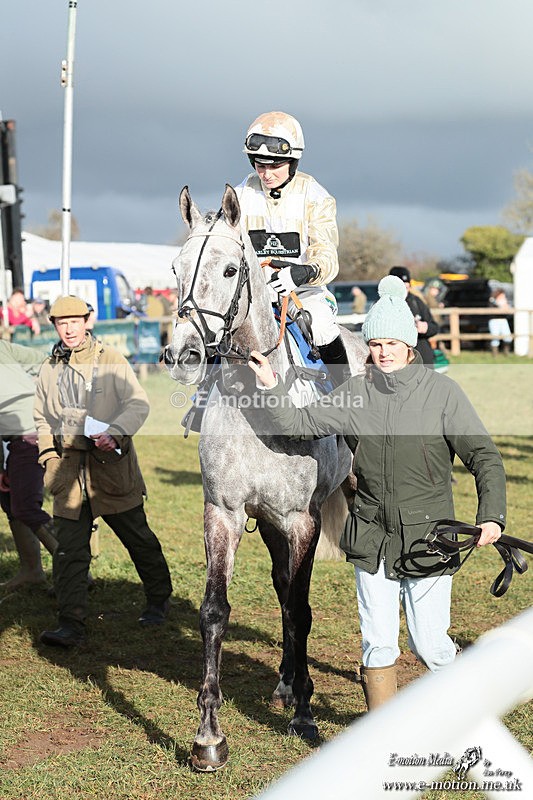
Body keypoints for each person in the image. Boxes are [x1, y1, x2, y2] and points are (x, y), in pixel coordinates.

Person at [248, 275, 506, 711]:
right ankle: (384, 741)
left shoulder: (442, 393)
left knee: (432, 646)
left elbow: (484, 456)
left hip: (430, 539)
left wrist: (492, 515)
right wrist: (273, 385)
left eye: (392, 343)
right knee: (378, 646)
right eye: (376, 344)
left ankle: (469, 722)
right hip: (372, 539)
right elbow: (297, 423)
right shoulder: (356, 393)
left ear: (409, 346)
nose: (383, 352)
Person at [34, 295, 173, 648]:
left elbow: (138, 403)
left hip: (111, 470)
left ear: (87, 321)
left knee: (138, 539)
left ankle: (158, 599)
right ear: (54, 326)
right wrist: (49, 461)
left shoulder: (111, 359)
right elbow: (42, 419)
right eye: (61, 323)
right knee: (69, 549)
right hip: (68, 476)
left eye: (75, 321)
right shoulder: (49, 368)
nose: (68, 329)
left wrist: (116, 432)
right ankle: (71, 623)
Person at [234, 111, 349, 386]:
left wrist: (302, 273)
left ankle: (350, 401)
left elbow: (328, 257)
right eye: (259, 165)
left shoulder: (316, 197)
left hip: (302, 292)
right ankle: (202, 402)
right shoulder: (240, 194)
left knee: (321, 326)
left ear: (293, 161)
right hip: (254, 294)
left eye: (275, 166)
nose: (266, 174)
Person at [0, 340, 58, 591]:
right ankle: (32, 570)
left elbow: (48, 363)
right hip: (22, 434)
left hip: (30, 434)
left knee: (25, 506)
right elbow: (46, 361)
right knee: (11, 500)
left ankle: (76, 570)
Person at [389, 266, 438, 367]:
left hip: (422, 358)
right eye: (402, 288)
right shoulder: (384, 305)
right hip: (397, 360)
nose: (405, 292)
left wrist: (426, 327)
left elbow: (434, 327)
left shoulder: (416, 301)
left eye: (407, 287)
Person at [488, 288, 513, 356]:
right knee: (495, 337)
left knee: (508, 337)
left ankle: (506, 353)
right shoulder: (492, 301)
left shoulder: (504, 302)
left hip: (503, 320)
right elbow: (493, 308)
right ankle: (495, 354)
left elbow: (508, 310)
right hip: (494, 320)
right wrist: (499, 305)